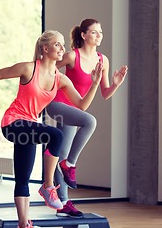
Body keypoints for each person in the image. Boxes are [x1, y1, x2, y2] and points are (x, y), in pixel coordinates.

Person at [0, 30, 103, 228]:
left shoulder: (61, 79)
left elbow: (82, 105)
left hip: (28, 129)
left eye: (63, 44)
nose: (62, 48)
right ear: (45, 48)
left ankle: (23, 227)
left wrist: (95, 83)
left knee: (22, 178)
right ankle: (48, 186)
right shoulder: (29, 69)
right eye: (57, 45)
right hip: (12, 123)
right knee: (55, 135)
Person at [45, 19, 128, 217]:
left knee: (61, 154)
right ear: (83, 35)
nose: (99, 35)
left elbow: (105, 93)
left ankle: (63, 203)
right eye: (94, 32)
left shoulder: (103, 60)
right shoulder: (72, 56)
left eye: (100, 32)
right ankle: (70, 165)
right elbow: (48, 69)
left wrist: (115, 83)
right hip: (58, 105)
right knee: (90, 121)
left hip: (74, 109)